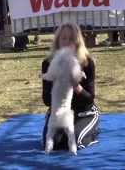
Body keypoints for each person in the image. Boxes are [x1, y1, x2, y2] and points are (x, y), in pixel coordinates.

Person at [42, 22, 100, 151]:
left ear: (77, 42)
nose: (67, 42)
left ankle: (93, 128)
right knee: (53, 144)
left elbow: (89, 98)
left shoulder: (87, 63)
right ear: (58, 41)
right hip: (59, 111)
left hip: (83, 111)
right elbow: (46, 100)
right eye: (64, 38)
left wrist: (75, 85)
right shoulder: (48, 63)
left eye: (71, 39)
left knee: (77, 142)